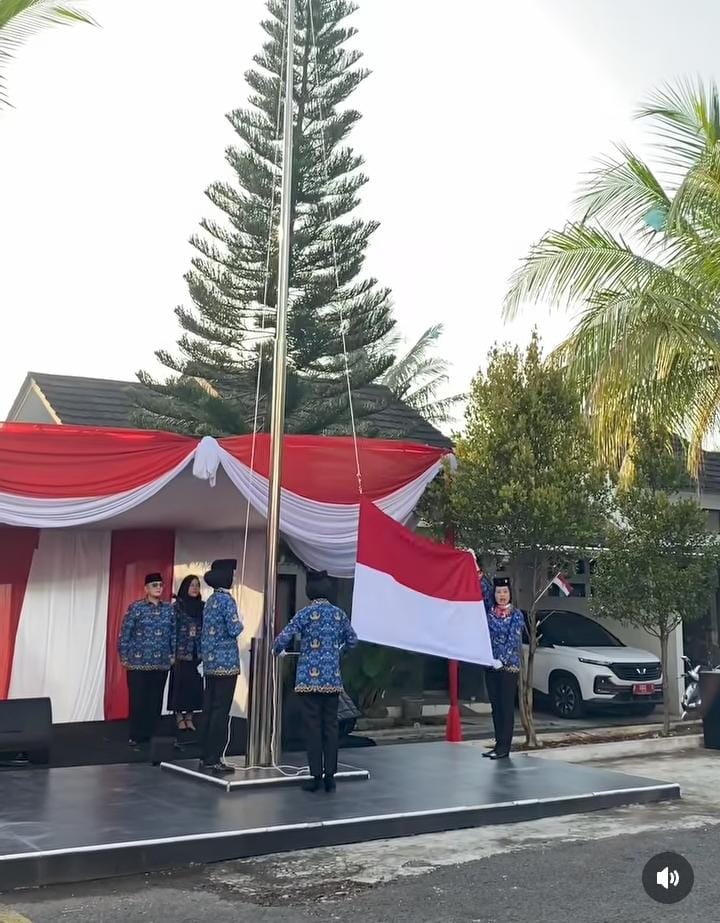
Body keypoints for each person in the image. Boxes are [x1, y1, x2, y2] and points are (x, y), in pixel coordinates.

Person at [273, 570, 358, 793]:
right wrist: (338, 652)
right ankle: (330, 776)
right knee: (330, 727)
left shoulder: (305, 614)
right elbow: (352, 640)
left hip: (308, 681)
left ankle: (315, 775)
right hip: (332, 681)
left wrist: (277, 650)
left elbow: (283, 637)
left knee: (312, 728)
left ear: (310, 591)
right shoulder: (338, 614)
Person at [118, 573, 175, 747]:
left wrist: (172, 654)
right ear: (146, 588)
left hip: (161, 662)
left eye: (160, 585)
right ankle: (137, 735)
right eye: (154, 585)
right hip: (138, 662)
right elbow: (125, 633)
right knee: (138, 700)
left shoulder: (168, 609)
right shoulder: (136, 608)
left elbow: (173, 633)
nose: (158, 588)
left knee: (155, 700)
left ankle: (152, 734)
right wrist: (123, 655)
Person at [199, 558, 243, 774]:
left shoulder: (210, 600)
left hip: (210, 663)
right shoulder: (226, 601)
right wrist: (240, 621)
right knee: (220, 711)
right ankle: (214, 758)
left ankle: (205, 754)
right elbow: (235, 629)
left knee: (209, 708)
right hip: (226, 664)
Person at [484, 575, 524, 760]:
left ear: (510, 594)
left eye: (505, 592)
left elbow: (513, 640)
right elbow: (483, 589)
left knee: (506, 707)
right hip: (491, 666)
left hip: (508, 668)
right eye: (498, 592)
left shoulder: (516, 614)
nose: (502, 595)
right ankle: (498, 744)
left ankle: (504, 747)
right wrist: (476, 568)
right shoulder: (489, 612)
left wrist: (502, 659)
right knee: (496, 707)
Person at [169, 574, 204, 734]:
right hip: (180, 653)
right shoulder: (177, 607)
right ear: (185, 587)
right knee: (179, 685)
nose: (195, 588)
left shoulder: (203, 607)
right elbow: (171, 630)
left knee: (194, 686)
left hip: (197, 653)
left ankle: (189, 717)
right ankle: (178, 716)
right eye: (192, 585)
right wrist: (171, 652)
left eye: (197, 585)